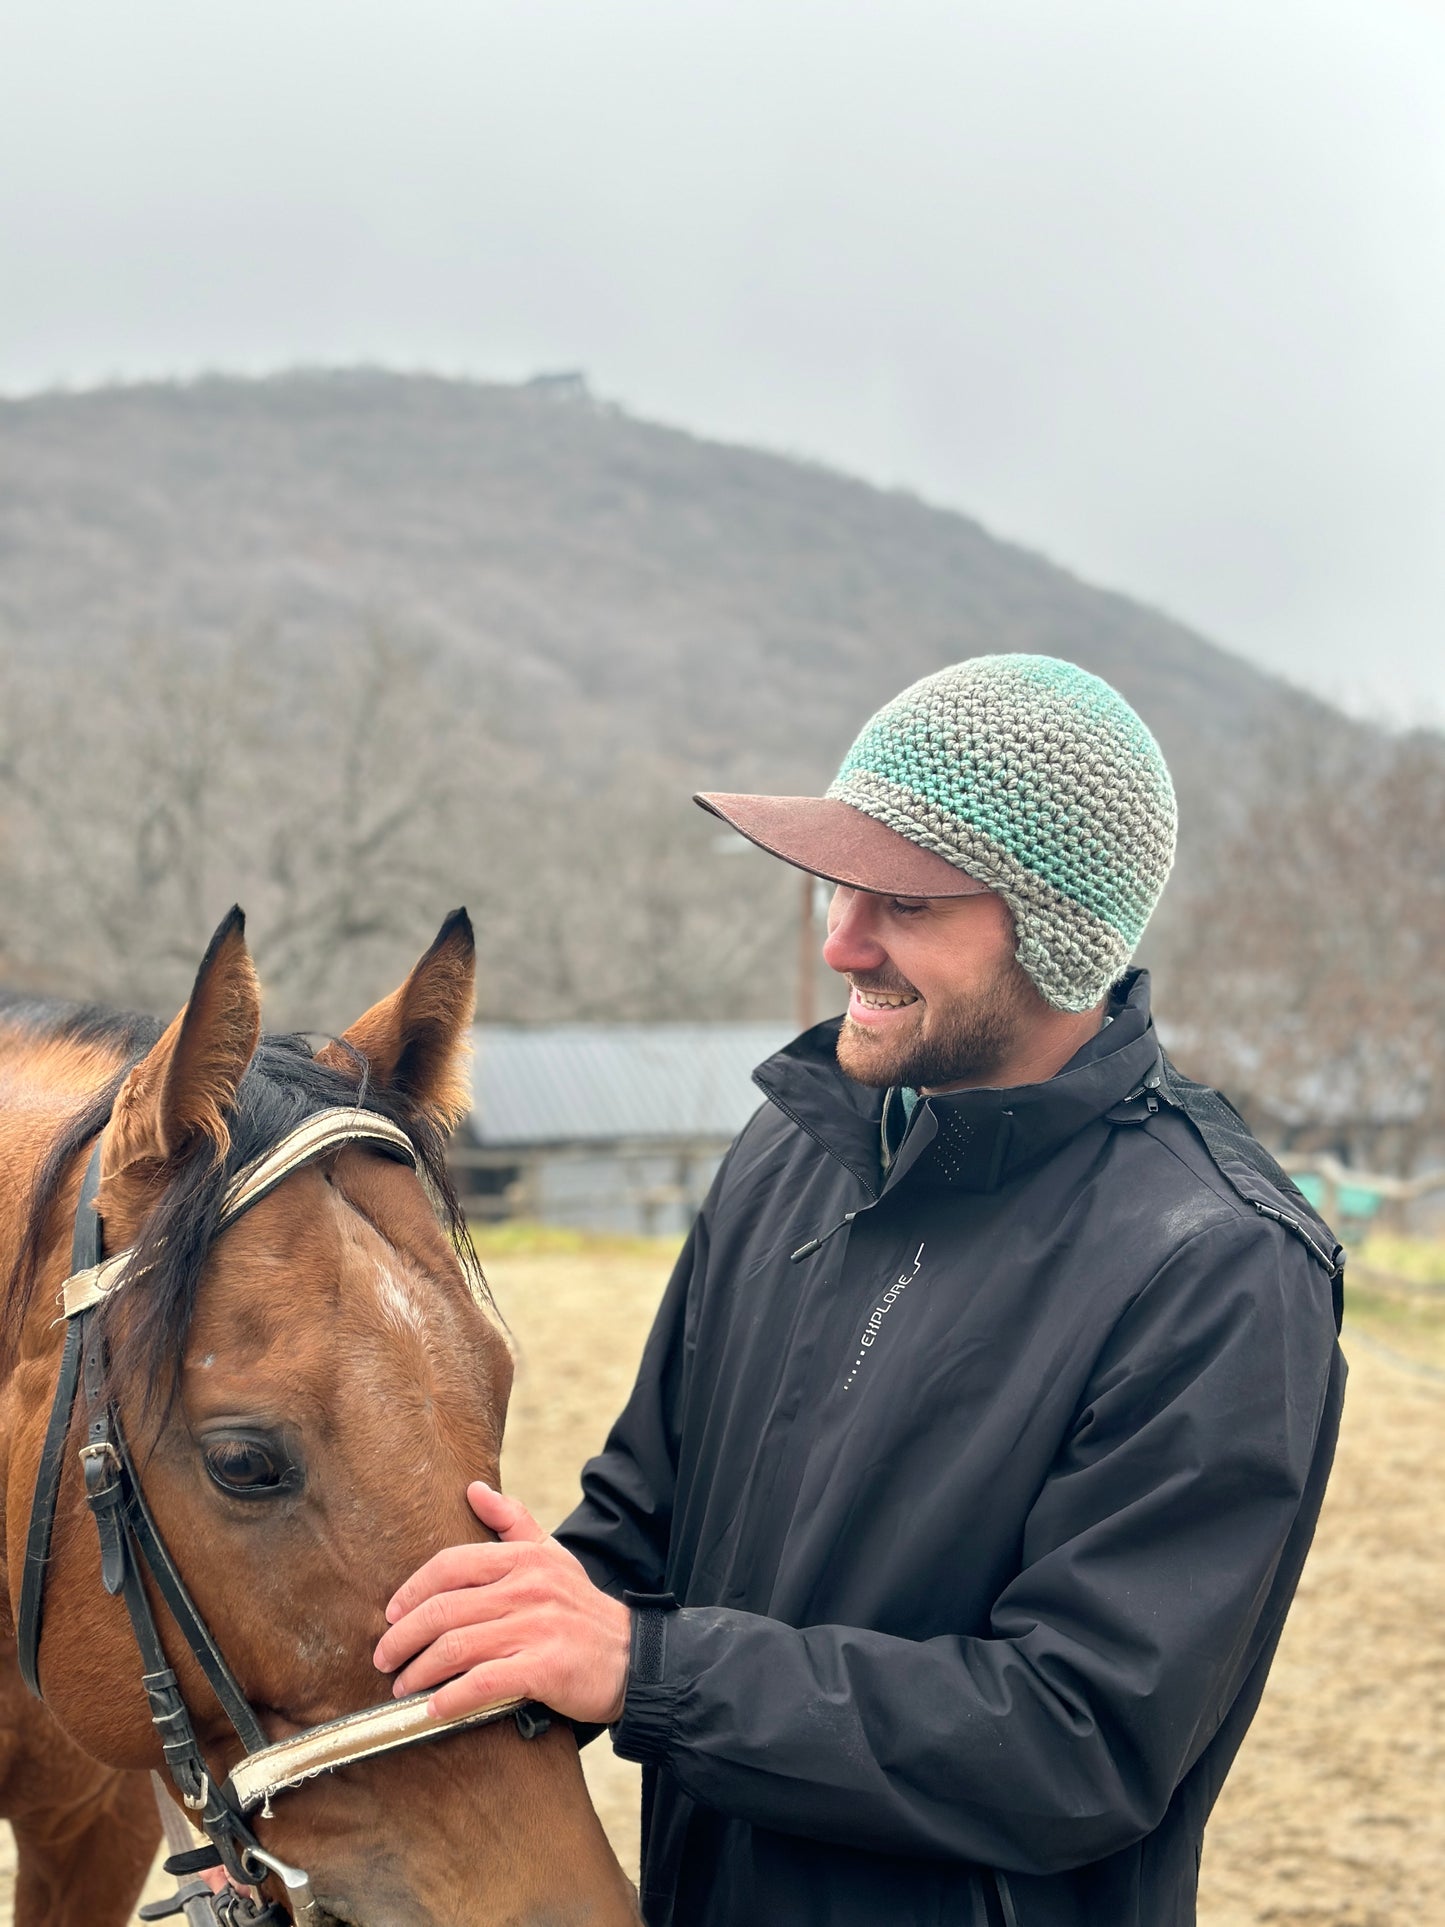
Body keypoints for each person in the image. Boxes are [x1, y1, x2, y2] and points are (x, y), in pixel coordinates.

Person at [375, 654, 1346, 1927]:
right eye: (836, 879)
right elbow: (632, 1534)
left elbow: (1077, 1739)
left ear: (1056, 927)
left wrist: (647, 1670)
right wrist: (344, 1767)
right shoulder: (794, 1147)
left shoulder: (1217, 1263)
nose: (839, 939)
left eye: (902, 900)